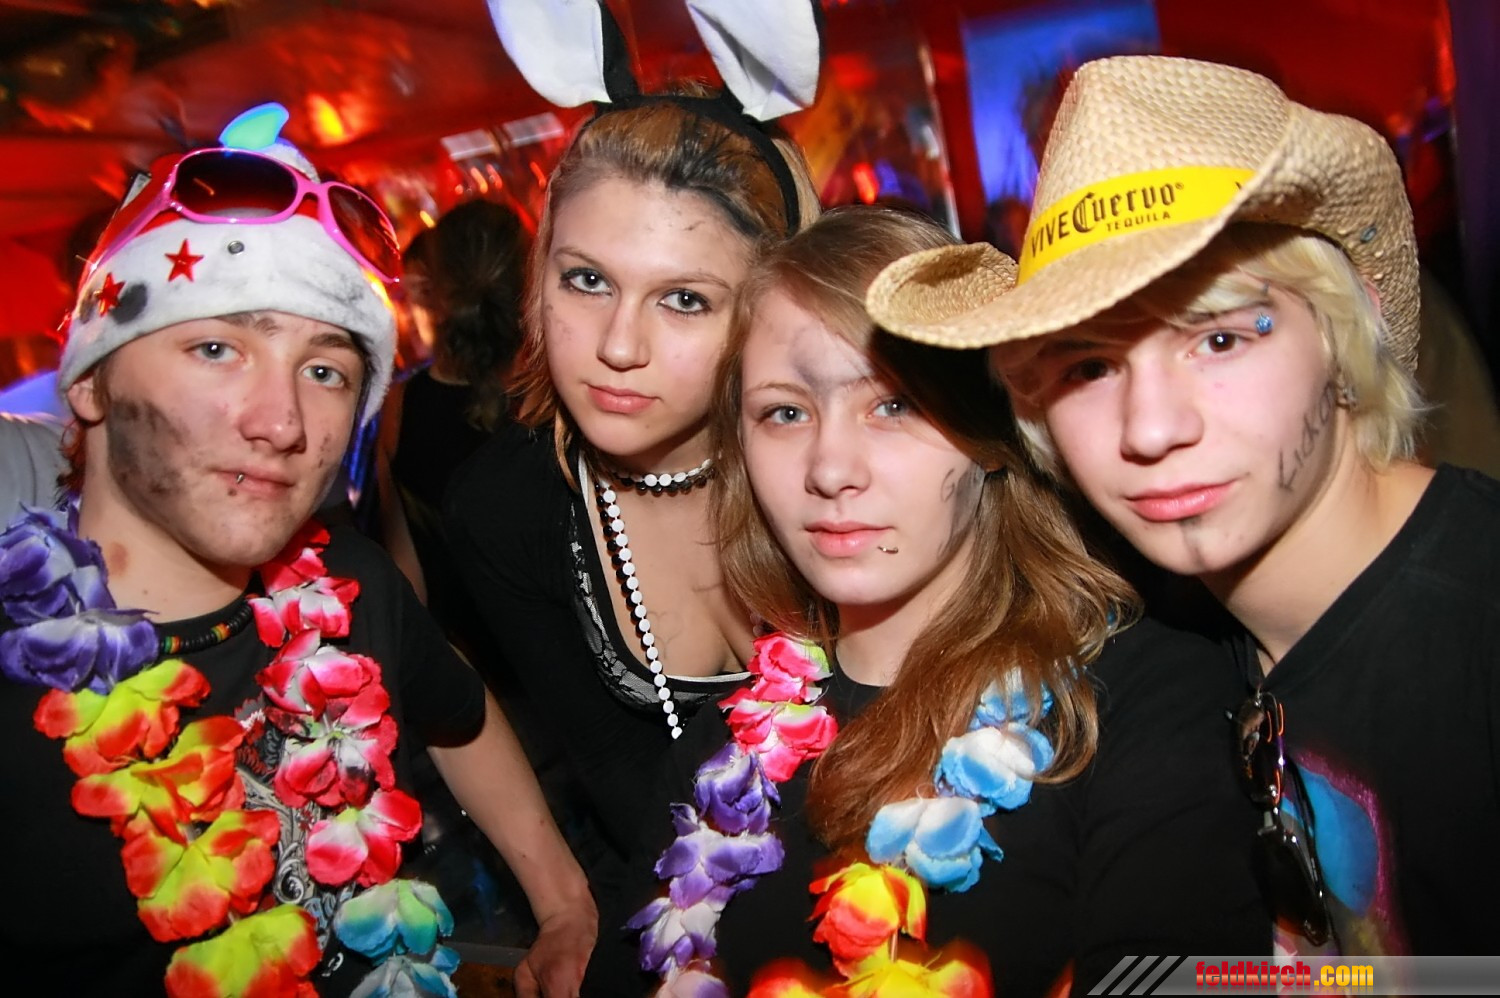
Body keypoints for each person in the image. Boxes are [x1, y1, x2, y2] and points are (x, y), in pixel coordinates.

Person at [868, 54, 1500, 957]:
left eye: (1221, 339)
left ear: (1344, 325)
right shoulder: (1172, 642)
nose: (1153, 428)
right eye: (1090, 366)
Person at [603, 206, 1266, 995]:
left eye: (894, 405)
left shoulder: (1143, 705)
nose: (830, 469)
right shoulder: (715, 763)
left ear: (988, 433)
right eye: (785, 413)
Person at [0, 138, 593, 996]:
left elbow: (458, 711)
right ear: (90, 380)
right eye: (217, 349)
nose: (282, 423)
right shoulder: (13, 691)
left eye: (324, 370)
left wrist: (564, 902)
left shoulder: (352, 584)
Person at [445, 3, 824, 914]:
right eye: (587, 280)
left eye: (684, 300)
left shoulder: (850, 460)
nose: (618, 346)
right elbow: (624, 787)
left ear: (770, 307)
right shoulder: (505, 507)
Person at [378, 199, 530, 627]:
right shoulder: (557, 401)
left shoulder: (398, 409)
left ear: (429, 289)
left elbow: (408, 579)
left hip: (463, 654)